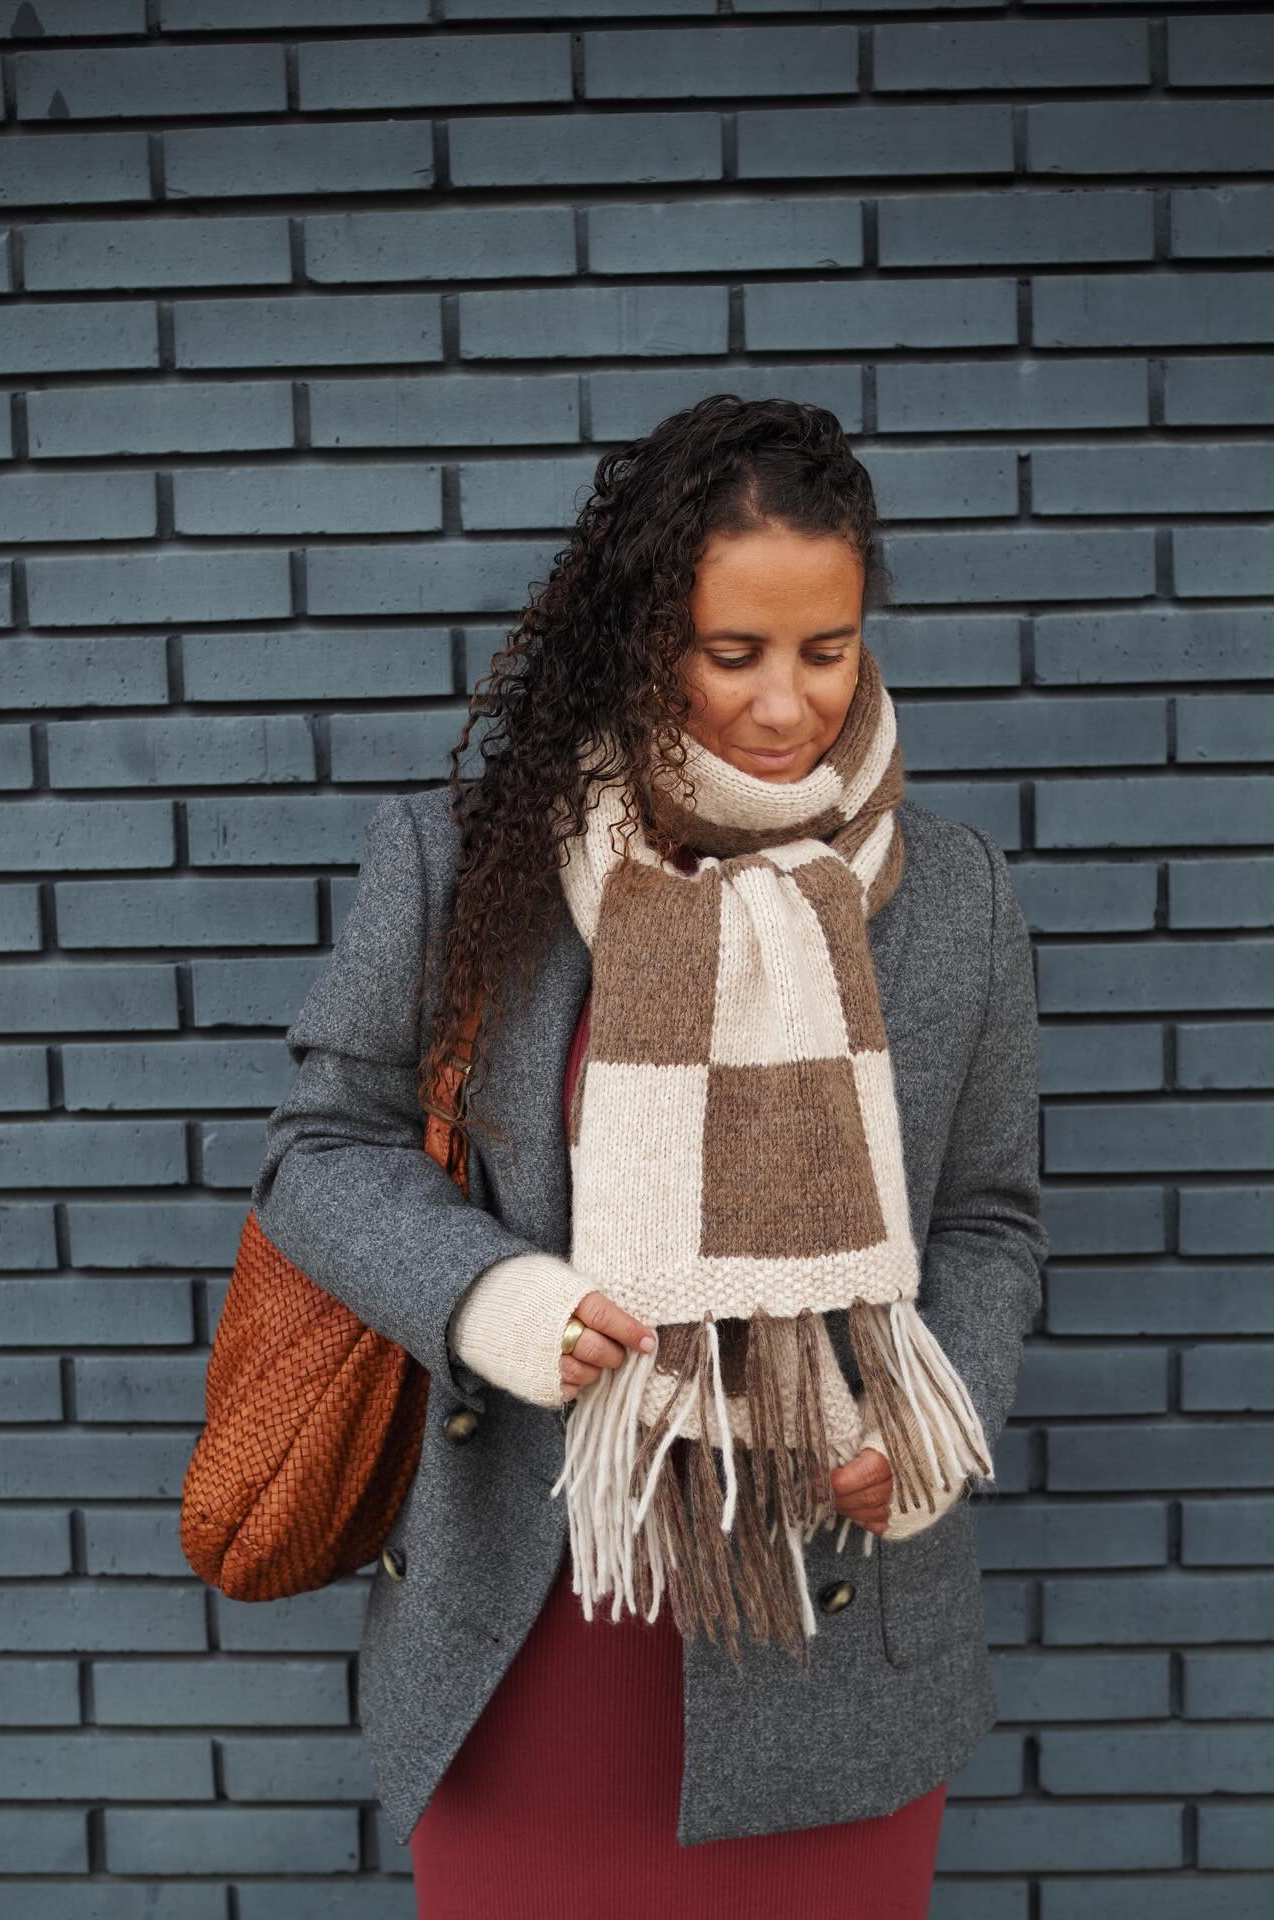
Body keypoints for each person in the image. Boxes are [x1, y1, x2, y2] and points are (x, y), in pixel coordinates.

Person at [253, 395, 1048, 1918]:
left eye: (826, 650)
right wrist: (493, 1300)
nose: (785, 705)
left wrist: (934, 1413)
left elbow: (990, 1217)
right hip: (531, 1626)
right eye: (731, 652)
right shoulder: (469, 865)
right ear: (640, 638)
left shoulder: (952, 896)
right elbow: (321, 1150)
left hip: (831, 1626)